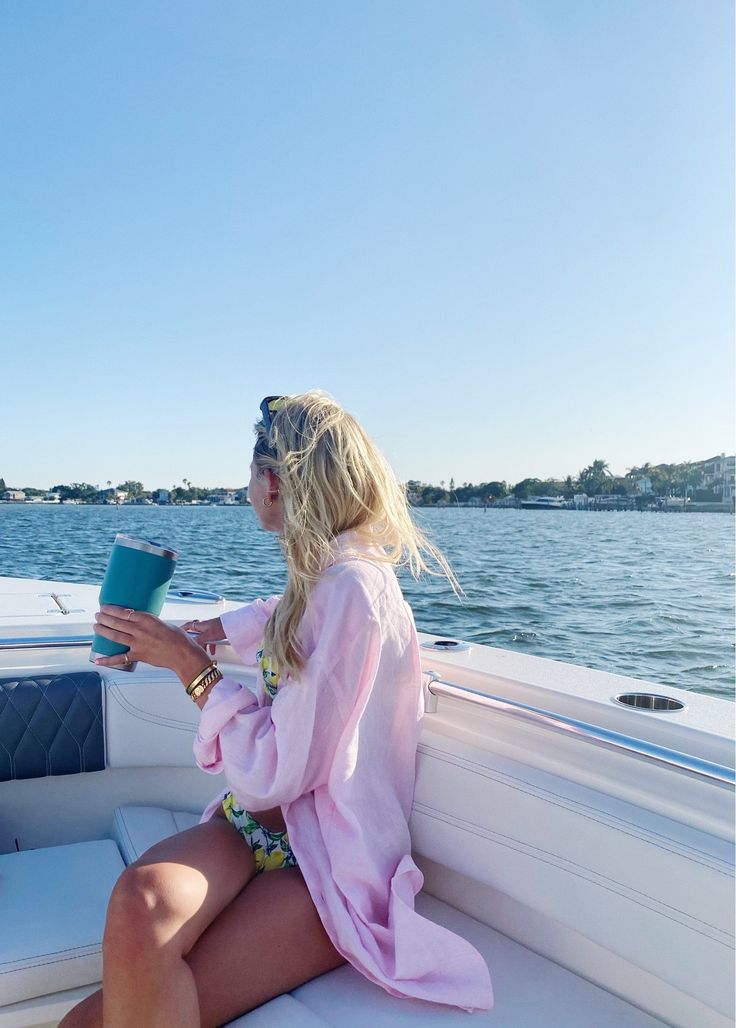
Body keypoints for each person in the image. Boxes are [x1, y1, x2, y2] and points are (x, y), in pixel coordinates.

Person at [61, 391, 493, 1028]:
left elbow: (277, 770)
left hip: (326, 864)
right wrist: (222, 626)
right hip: (256, 827)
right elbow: (289, 616)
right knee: (141, 901)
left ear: (272, 481)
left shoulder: (354, 591)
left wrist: (189, 664)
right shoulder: (328, 575)